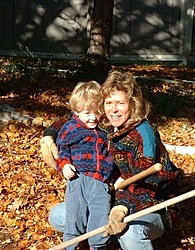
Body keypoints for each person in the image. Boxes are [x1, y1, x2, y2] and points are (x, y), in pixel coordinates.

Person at [40, 71, 180, 250]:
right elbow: (73, 116)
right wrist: (49, 135)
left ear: (133, 104)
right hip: (110, 199)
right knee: (59, 215)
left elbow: (148, 184)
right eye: (108, 103)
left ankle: (124, 237)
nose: (113, 109)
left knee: (130, 233)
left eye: (121, 103)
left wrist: (121, 208)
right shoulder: (106, 121)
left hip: (151, 206)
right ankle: (107, 236)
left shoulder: (144, 135)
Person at [44, 81, 115, 250]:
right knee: (75, 218)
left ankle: (98, 246)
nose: (93, 118)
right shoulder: (70, 128)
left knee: (100, 219)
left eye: (97, 113)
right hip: (78, 179)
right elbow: (62, 150)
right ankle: (71, 246)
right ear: (76, 111)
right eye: (87, 113)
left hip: (100, 183)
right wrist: (65, 165)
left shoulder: (105, 131)